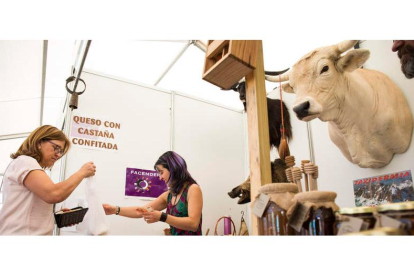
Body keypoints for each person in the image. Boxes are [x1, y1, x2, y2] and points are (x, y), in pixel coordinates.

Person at [0, 125, 96, 235]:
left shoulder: (28, 165)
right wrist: (82, 172)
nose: (58, 154)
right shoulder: (26, 161)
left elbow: (27, 211)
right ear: (39, 142)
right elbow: (54, 194)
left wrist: (53, 216)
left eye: (61, 151)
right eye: (56, 148)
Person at [103, 151, 203, 235]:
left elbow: (193, 224)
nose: (160, 177)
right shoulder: (169, 195)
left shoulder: (193, 189)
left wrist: (162, 217)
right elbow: (140, 211)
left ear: (173, 169)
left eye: (161, 172)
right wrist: (115, 210)